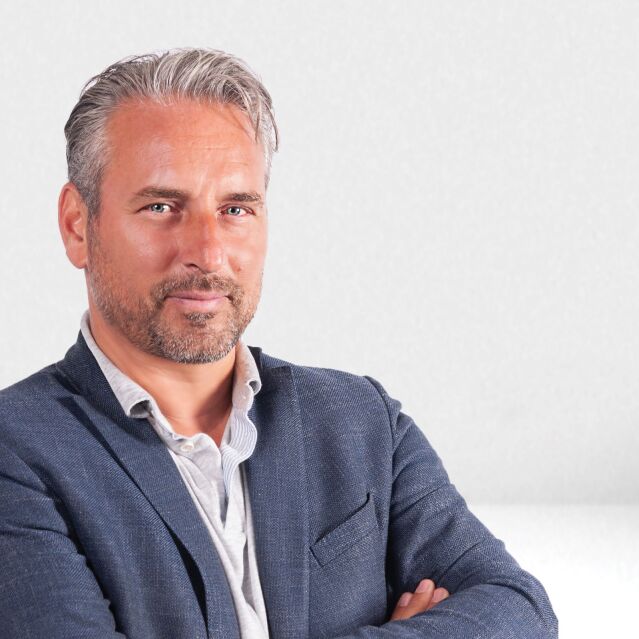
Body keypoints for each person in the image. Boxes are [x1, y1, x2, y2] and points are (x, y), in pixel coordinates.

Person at [0, 48, 557, 638]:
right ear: (77, 225)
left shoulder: (362, 422)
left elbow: (518, 610)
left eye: (235, 208)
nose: (208, 252)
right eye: (161, 207)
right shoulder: (17, 452)